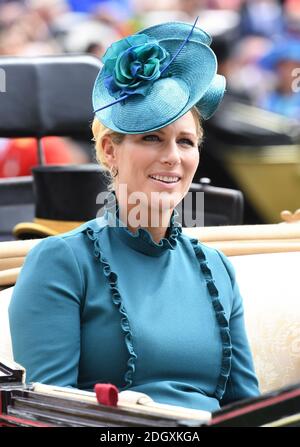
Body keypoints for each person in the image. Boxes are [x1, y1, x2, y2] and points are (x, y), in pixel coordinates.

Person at [9, 18, 260, 413]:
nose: (173, 157)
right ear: (110, 150)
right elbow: (48, 414)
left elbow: (250, 409)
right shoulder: (61, 262)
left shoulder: (218, 268)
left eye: (186, 141)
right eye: (151, 137)